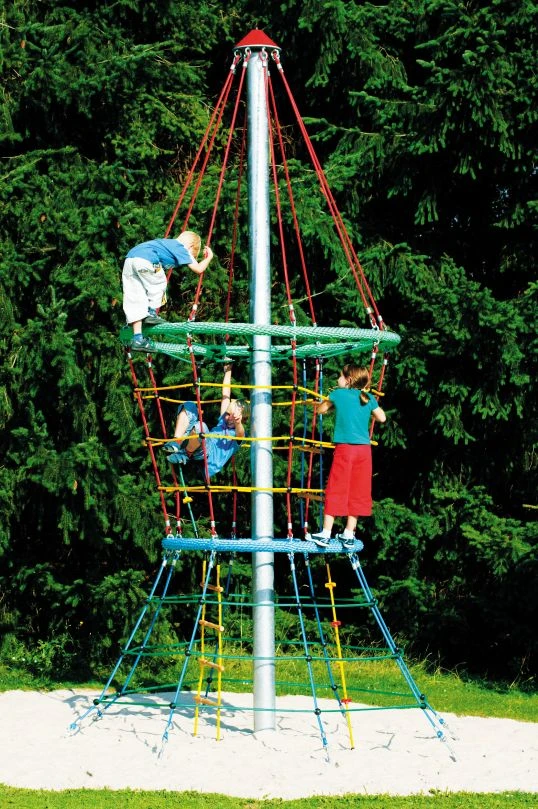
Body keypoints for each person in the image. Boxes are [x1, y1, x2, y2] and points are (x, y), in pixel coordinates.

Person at [311, 364, 386, 549]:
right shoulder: (367, 398)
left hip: (345, 450)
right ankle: (349, 533)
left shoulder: (338, 394)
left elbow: (320, 410)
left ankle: (326, 533)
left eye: (340, 376)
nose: (338, 379)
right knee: (358, 489)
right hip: (364, 451)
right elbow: (382, 418)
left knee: (336, 487)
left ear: (348, 380)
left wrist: (329, 406)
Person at [122, 231, 214, 351]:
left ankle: (138, 338)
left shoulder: (167, 244)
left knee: (135, 296)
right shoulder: (181, 247)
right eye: (192, 255)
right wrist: (209, 257)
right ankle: (151, 313)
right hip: (147, 258)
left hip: (130, 259)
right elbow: (198, 269)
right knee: (159, 283)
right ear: (190, 246)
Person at [163, 364, 248, 477]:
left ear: (243, 419)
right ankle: (177, 442)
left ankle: (186, 454)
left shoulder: (238, 435)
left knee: (201, 427)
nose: (228, 418)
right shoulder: (223, 421)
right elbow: (226, 394)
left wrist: (238, 422)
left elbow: (240, 434)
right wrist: (228, 370)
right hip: (197, 440)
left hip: (207, 457)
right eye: (228, 414)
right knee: (189, 406)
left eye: (233, 417)